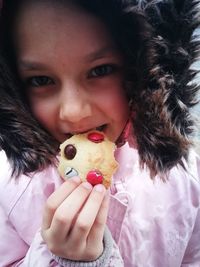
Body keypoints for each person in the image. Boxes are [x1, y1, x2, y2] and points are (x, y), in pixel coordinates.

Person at [0, 0, 200, 266]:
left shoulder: (184, 176)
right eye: (41, 80)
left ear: (142, 68)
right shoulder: (9, 187)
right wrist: (59, 258)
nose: (73, 112)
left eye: (100, 70)